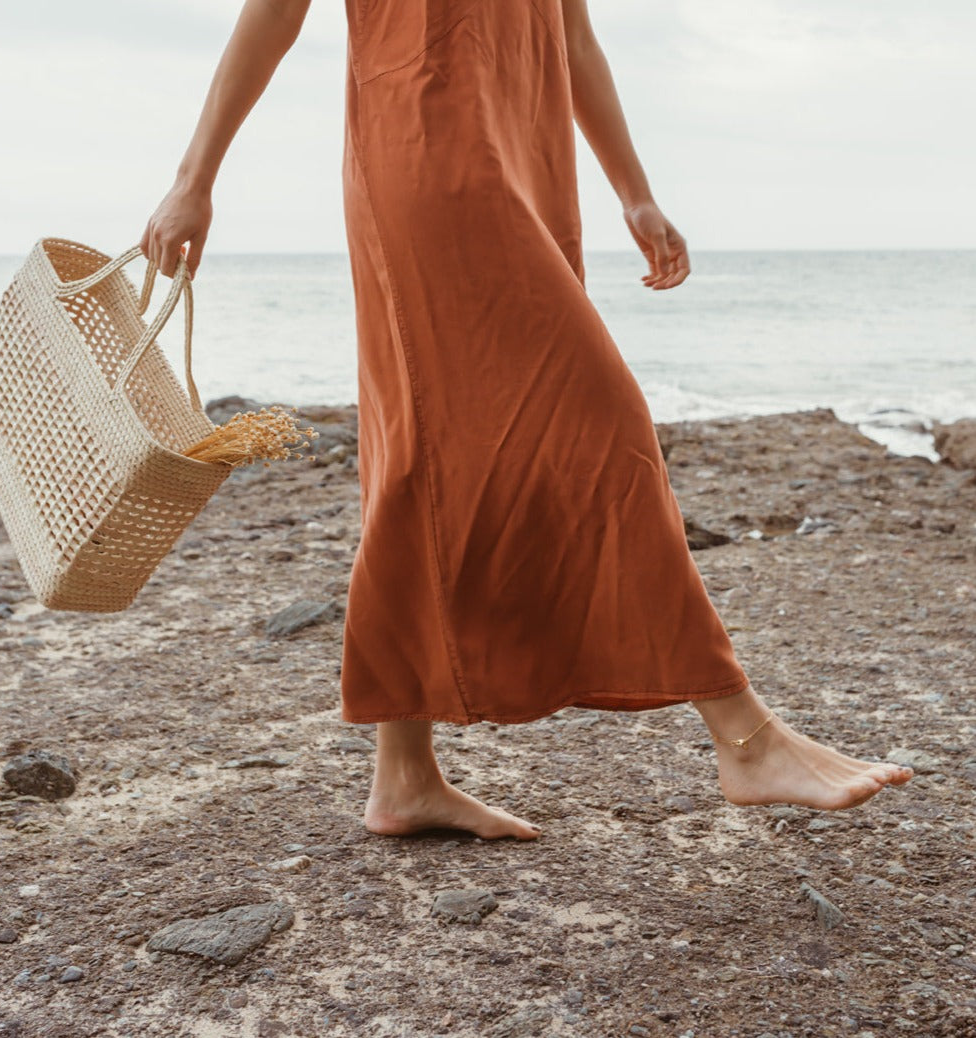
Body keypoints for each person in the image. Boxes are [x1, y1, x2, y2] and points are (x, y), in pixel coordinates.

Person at [141, 0, 913, 841]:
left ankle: (404, 776)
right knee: (599, 424)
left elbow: (571, 36)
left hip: (531, 165)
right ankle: (745, 734)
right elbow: (274, 13)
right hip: (430, 159)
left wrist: (637, 194)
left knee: (426, 454)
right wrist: (193, 179)